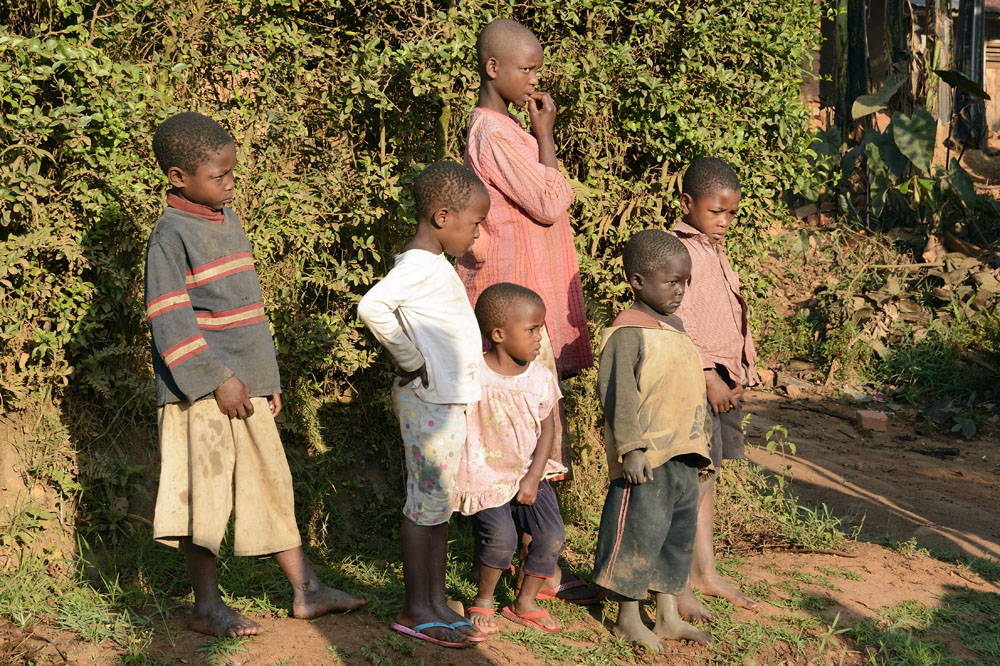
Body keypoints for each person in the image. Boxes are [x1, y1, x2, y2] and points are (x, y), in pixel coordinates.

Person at [145, 112, 367, 638]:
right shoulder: (170, 235)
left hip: (245, 387)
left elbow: (248, 312)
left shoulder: (229, 219)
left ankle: (306, 591)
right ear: (179, 177)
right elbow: (168, 317)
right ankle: (205, 606)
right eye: (218, 176)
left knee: (273, 480)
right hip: (199, 392)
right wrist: (217, 379)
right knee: (205, 497)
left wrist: (265, 381)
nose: (229, 184)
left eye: (231, 174)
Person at [459, 17, 600, 605]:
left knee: (536, 426)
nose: (535, 79)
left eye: (538, 68)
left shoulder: (504, 129)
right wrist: (547, 134)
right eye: (527, 68)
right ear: (494, 69)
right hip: (514, 297)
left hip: (528, 293)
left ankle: (536, 562)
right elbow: (548, 199)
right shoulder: (494, 134)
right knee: (525, 427)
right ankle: (532, 565)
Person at [358, 161, 491, 648]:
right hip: (428, 403)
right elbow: (371, 307)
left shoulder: (433, 264)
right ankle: (417, 608)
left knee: (437, 506)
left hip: (443, 403)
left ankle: (435, 604)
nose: (476, 235)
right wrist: (411, 359)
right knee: (425, 506)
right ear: (441, 217)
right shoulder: (418, 266)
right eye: (473, 224)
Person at [592, 229, 713, 652]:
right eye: (671, 282)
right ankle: (627, 617)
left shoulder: (677, 329)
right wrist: (631, 447)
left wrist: (704, 451)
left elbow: (689, 394)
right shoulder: (627, 332)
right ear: (638, 282)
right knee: (638, 536)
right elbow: (619, 395)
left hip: (684, 456)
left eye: (685, 282)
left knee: (675, 538)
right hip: (647, 459)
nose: (680, 291)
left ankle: (666, 614)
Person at [671, 156, 761, 622]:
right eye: (716, 212)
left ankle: (705, 571)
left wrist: (741, 369)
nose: (725, 222)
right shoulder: (677, 251)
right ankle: (679, 581)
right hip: (696, 383)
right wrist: (707, 376)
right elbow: (677, 320)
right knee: (688, 482)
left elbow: (729, 313)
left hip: (725, 382)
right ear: (687, 203)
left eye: (730, 214)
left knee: (707, 480)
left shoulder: (714, 246)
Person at [453, 283, 568, 635]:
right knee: (500, 537)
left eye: (541, 329)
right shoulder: (473, 374)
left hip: (528, 473)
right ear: (499, 334)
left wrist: (533, 478)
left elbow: (548, 430)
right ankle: (484, 598)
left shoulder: (540, 378)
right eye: (531, 330)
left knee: (551, 535)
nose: (540, 338)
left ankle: (525, 601)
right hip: (485, 475)